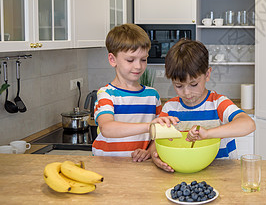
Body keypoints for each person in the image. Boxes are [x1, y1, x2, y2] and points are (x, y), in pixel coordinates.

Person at [150, 39, 256, 172]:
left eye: (193, 84)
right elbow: (158, 141)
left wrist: (208, 133)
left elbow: (249, 124)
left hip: (221, 172)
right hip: (183, 171)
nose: (187, 92)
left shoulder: (218, 103)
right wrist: (155, 156)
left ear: (207, 74)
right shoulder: (170, 108)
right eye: (179, 86)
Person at [92, 23, 178, 161]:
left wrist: (149, 151)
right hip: (106, 164)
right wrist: (149, 127)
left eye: (143, 59)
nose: (138, 66)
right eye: (130, 60)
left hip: (139, 165)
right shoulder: (106, 94)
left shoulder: (152, 95)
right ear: (112, 60)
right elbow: (107, 128)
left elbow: (158, 135)